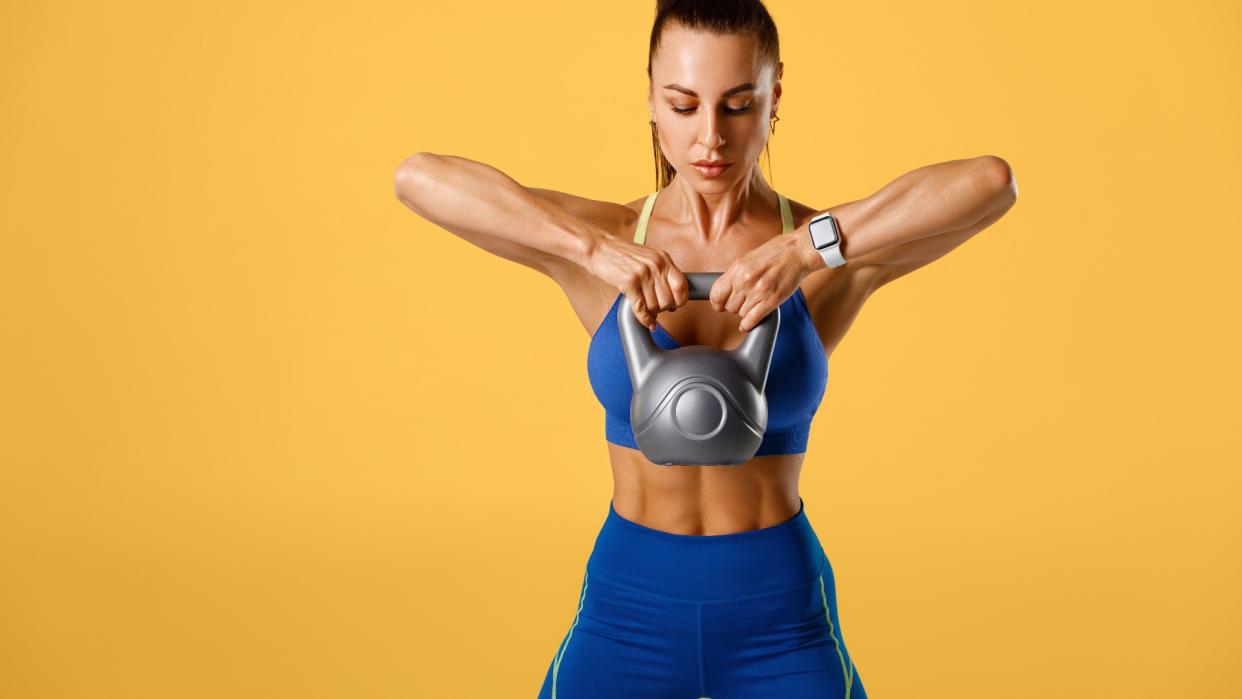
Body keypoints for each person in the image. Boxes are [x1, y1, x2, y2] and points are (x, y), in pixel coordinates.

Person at [393, 1, 1017, 696]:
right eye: (684, 105)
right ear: (652, 100)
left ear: (775, 97)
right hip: (628, 605)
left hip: (779, 614)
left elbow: (990, 184)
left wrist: (804, 249)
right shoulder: (606, 241)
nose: (709, 138)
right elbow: (419, 179)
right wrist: (592, 249)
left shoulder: (825, 255)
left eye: (738, 104)